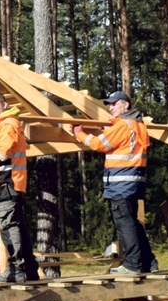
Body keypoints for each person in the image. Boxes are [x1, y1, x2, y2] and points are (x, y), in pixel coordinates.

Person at [66, 91, 158, 274]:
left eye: (115, 104)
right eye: (109, 104)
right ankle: (149, 262)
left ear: (126, 105)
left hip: (121, 183)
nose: (111, 108)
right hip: (132, 180)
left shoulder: (124, 125)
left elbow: (99, 144)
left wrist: (79, 133)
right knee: (132, 222)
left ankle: (133, 265)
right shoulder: (138, 125)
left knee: (125, 223)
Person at [0, 91, 40, 283]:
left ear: (4, 105)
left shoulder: (7, 124)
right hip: (10, 182)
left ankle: (17, 269)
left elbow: (3, 152)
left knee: (8, 226)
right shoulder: (6, 125)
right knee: (17, 226)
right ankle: (29, 269)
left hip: (6, 182)